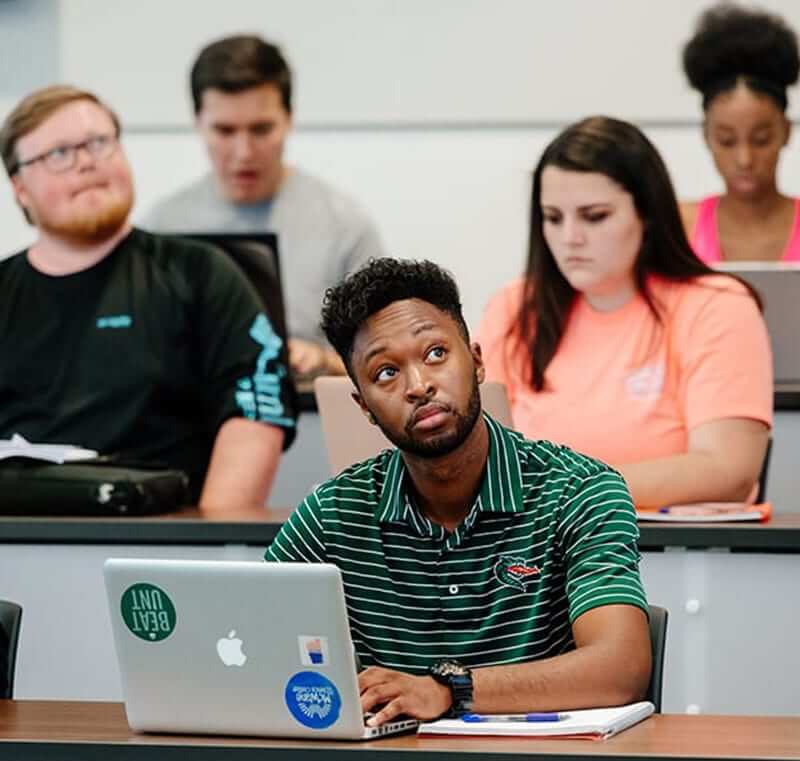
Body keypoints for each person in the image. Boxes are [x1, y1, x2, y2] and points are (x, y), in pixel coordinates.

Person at [265, 258, 650, 726]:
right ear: (363, 406)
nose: (419, 386)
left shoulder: (578, 491)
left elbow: (621, 667)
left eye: (435, 354)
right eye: (386, 373)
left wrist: (450, 690)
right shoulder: (332, 517)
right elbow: (255, 645)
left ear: (478, 361)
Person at [0, 85, 297, 509]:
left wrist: (206, 544)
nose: (86, 162)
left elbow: (256, 412)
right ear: (20, 188)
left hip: (158, 540)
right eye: (59, 154)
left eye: (99, 143)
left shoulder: (199, 273)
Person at [478, 116, 772, 509]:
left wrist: (556, 494)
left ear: (646, 214)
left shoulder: (717, 306)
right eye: (553, 218)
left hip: (675, 558)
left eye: (595, 216)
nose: (570, 238)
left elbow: (726, 472)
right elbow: (480, 466)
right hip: (535, 560)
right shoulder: (513, 308)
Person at [144, 35, 384, 378]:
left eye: (261, 129)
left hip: (309, 420)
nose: (244, 152)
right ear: (198, 122)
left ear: (288, 119)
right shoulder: (161, 229)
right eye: (224, 131)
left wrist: (322, 361)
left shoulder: (344, 226)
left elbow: (385, 363)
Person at [680, 3, 800, 262]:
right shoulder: (679, 228)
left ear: (787, 132)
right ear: (706, 136)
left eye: (761, 140)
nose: (744, 159)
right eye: (727, 141)